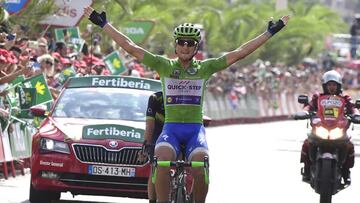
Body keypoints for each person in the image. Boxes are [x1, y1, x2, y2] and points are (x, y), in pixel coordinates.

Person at [84, 6, 289, 203]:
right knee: (162, 160)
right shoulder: (163, 65)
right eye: (181, 42)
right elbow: (131, 47)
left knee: (200, 165)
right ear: (175, 44)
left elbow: (239, 53)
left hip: (194, 130)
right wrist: (104, 24)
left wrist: (269, 32)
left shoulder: (205, 68)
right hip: (171, 129)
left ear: (196, 47)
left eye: (190, 43)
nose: (185, 46)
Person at [300, 70, 359, 183]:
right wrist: (305, 112)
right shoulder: (318, 97)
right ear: (325, 85)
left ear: (338, 85)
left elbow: (353, 108)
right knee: (307, 143)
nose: (332, 87)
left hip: (338, 129)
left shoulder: (345, 98)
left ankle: (346, 172)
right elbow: (309, 106)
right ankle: (307, 169)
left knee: (350, 145)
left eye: (334, 84)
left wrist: (356, 115)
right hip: (320, 127)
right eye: (329, 84)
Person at [138, 91, 165, 203]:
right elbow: (150, 126)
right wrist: (144, 148)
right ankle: (152, 200)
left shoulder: (185, 95)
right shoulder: (155, 98)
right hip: (158, 132)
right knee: (155, 167)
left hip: (178, 131)